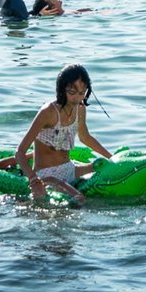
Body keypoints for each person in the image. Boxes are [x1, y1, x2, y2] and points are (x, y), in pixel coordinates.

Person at [16, 64, 111, 206]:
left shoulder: (80, 108)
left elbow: (85, 137)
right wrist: (34, 180)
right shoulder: (48, 112)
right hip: (47, 175)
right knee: (80, 198)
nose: (77, 98)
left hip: (70, 169)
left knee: (102, 166)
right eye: (72, 92)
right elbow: (19, 152)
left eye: (82, 92)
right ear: (61, 89)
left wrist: (111, 158)